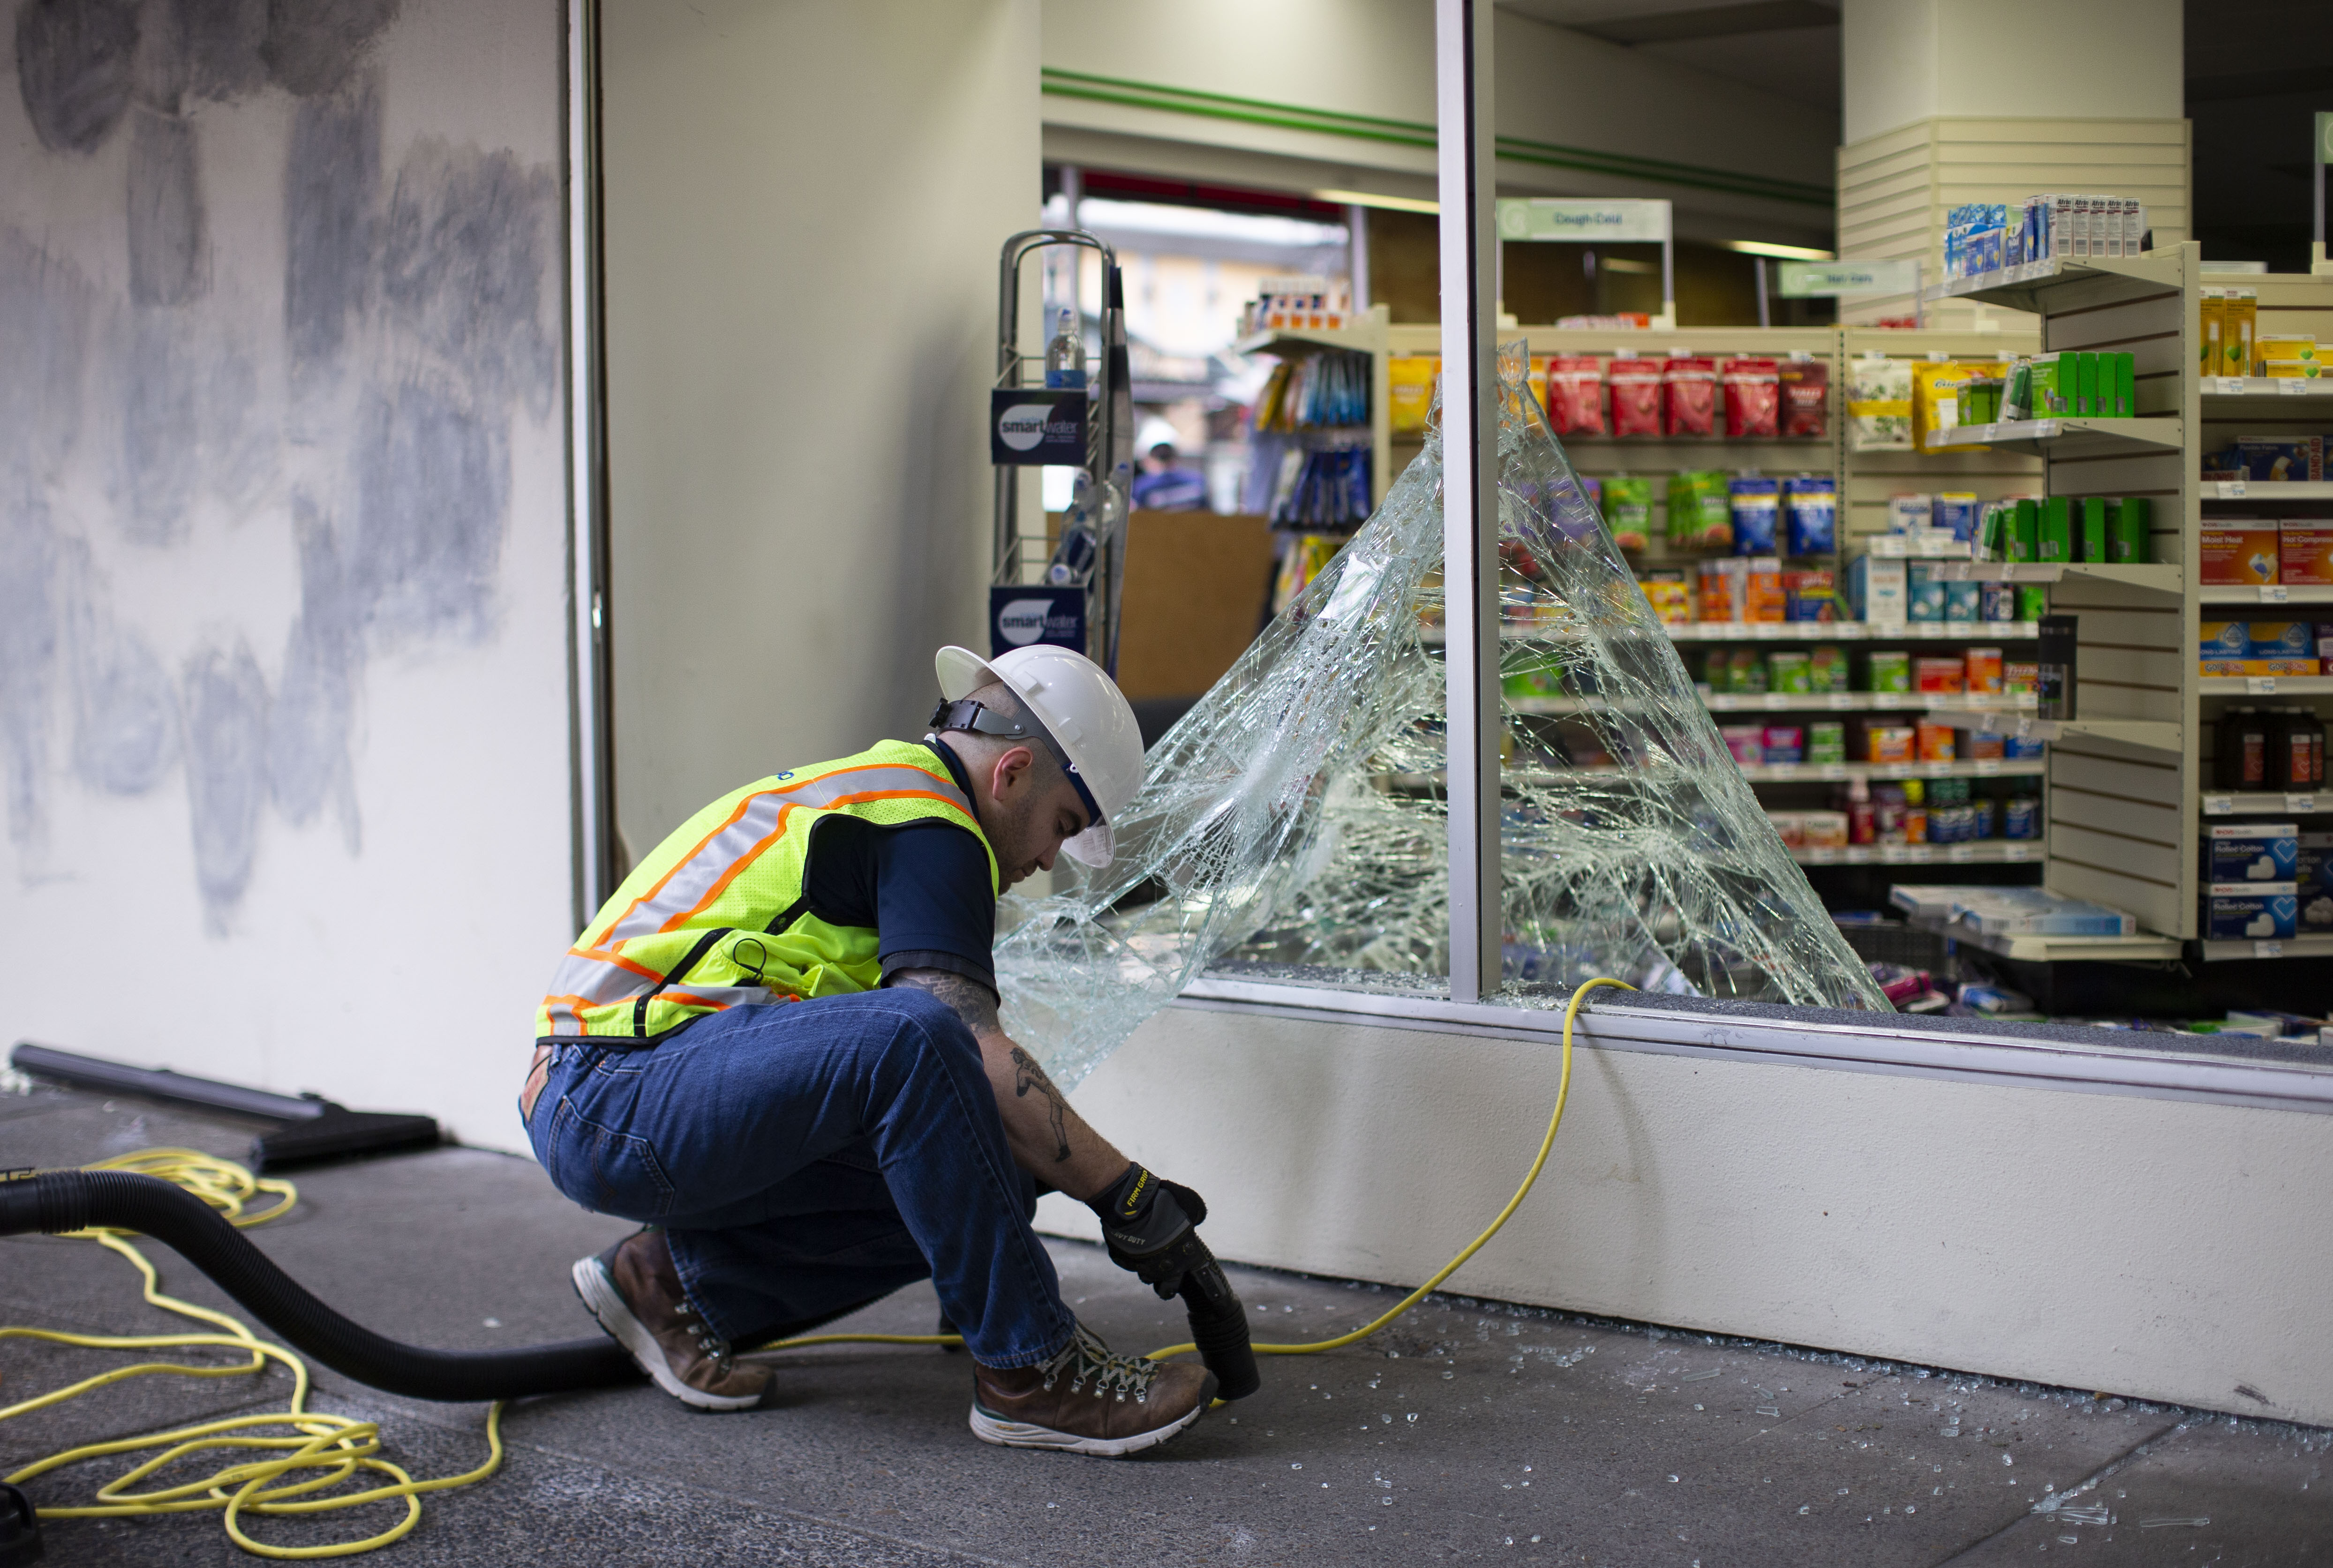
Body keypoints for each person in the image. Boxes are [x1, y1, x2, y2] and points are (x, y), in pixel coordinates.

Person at [520, 644, 1222, 1456]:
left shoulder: (896, 799)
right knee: (917, 1037)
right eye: (1063, 827)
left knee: (994, 1155)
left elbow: (960, 1091)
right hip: (610, 1091)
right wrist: (1125, 1193)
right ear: (1014, 773)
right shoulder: (930, 823)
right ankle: (1031, 1373)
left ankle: (669, 1285)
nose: (1042, 864)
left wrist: (1101, 1188)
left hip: (621, 1095)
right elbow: (957, 1039)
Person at [1129, 441, 1207, 511]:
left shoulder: (1143, 485)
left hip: (1157, 525)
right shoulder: (1197, 480)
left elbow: (1138, 512)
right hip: (1193, 525)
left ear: (1151, 459)